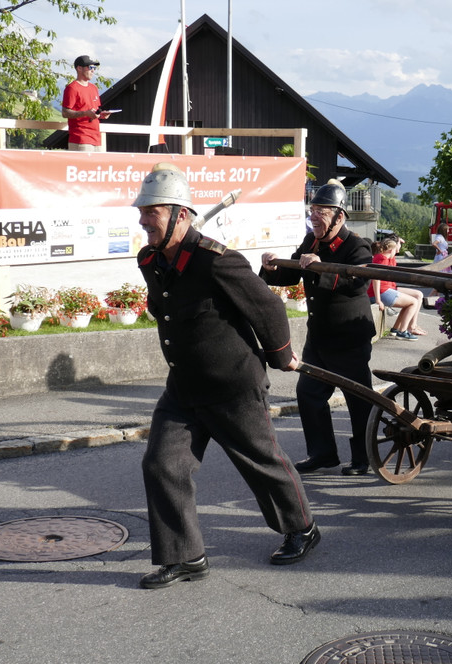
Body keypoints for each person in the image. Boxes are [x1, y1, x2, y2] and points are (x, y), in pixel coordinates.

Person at [133, 163, 319, 589]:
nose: (143, 220)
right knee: (162, 464)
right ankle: (186, 557)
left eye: (152, 212)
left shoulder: (217, 261)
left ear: (180, 214)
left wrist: (281, 354)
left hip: (234, 384)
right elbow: (164, 303)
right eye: (142, 212)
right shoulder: (151, 259)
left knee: (261, 463)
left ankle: (302, 528)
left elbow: (268, 308)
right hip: (184, 387)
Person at [261, 179, 376, 476]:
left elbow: (357, 283)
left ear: (339, 216)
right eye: (312, 210)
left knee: (358, 399)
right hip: (320, 337)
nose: (314, 217)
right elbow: (290, 277)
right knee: (309, 394)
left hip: (350, 337)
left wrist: (321, 266)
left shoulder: (357, 245)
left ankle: (363, 457)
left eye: (321, 212)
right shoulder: (310, 242)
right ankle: (323, 454)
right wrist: (272, 266)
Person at [368, 237, 426, 339]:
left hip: (388, 288)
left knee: (417, 296)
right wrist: (378, 300)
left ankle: (396, 329)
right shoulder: (382, 260)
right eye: (395, 250)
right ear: (391, 250)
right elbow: (375, 279)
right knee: (413, 302)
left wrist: (398, 243)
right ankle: (402, 331)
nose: (397, 252)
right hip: (382, 292)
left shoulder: (387, 257)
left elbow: (395, 250)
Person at [61, 55, 113, 152]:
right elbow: (65, 112)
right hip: (80, 138)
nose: (93, 70)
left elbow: (93, 110)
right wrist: (85, 113)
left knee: (96, 167)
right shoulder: (72, 88)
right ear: (79, 68)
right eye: (90, 67)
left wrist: (101, 115)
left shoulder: (94, 88)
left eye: (94, 68)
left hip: (96, 138)